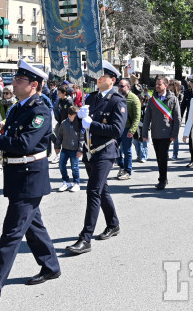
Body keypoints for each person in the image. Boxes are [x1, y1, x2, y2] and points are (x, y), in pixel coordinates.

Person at [0, 60, 60, 305]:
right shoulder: (17, 108)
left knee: (10, 235)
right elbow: (11, 135)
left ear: (33, 85)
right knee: (33, 227)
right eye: (15, 79)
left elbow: (25, 145)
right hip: (17, 174)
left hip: (30, 177)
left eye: (20, 81)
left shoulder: (40, 110)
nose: (14, 83)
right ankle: (51, 266)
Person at [65, 61, 126, 255]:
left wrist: (92, 124)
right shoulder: (91, 98)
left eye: (103, 76)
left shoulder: (118, 101)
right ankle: (113, 224)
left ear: (112, 80)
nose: (98, 79)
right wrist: (79, 120)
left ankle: (85, 238)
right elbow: (80, 128)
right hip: (90, 151)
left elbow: (117, 130)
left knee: (93, 191)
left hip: (106, 152)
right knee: (102, 190)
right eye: (98, 76)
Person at [141, 76, 181, 189]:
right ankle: (163, 177)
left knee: (163, 156)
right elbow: (147, 117)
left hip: (167, 133)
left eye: (159, 84)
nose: (157, 86)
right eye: (156, 84)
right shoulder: (152, 99)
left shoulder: (173, 99)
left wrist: (174, 134)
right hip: (155, 133)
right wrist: (144, 134)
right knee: (159, 157)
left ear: (165, 85)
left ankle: (162, 179)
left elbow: (177, 119)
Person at [116, 79, 141, 180]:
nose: (119, 88)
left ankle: (127, 171)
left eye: (122, 86)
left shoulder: (134, 98)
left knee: (127, 151)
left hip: (127, 129)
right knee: (113, 148)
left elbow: (137, 116)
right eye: (119, 86)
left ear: (128, 87)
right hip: (117, 128)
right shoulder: (117, 97)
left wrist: (132, 130)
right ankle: (121, 166)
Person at [54, 106, 83, 192]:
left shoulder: (79, 124)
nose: (77, 118)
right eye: (75, 116)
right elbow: (59, 136)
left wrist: (80, 150)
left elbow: (82, 138)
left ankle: (76, 183)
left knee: (74, 167)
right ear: (69, 116)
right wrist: (57, 146)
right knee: (61, 165)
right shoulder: (63, 123)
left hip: (75, 150)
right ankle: (66, 182)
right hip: (65, 149)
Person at [180, 74, 193, 167]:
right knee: (191, 140)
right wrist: (179, 118)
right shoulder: (187, 92)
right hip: (190, 119)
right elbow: (183, 106)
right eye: (191, 82)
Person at [133, 92, 149, 163]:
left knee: (143, 142)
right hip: (135, 127)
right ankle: (139, 155)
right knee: (136, 142)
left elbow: (148, 118)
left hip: (143, 127)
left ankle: (143, 156)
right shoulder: (134, 108)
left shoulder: (145, 108)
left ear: (142, 100)